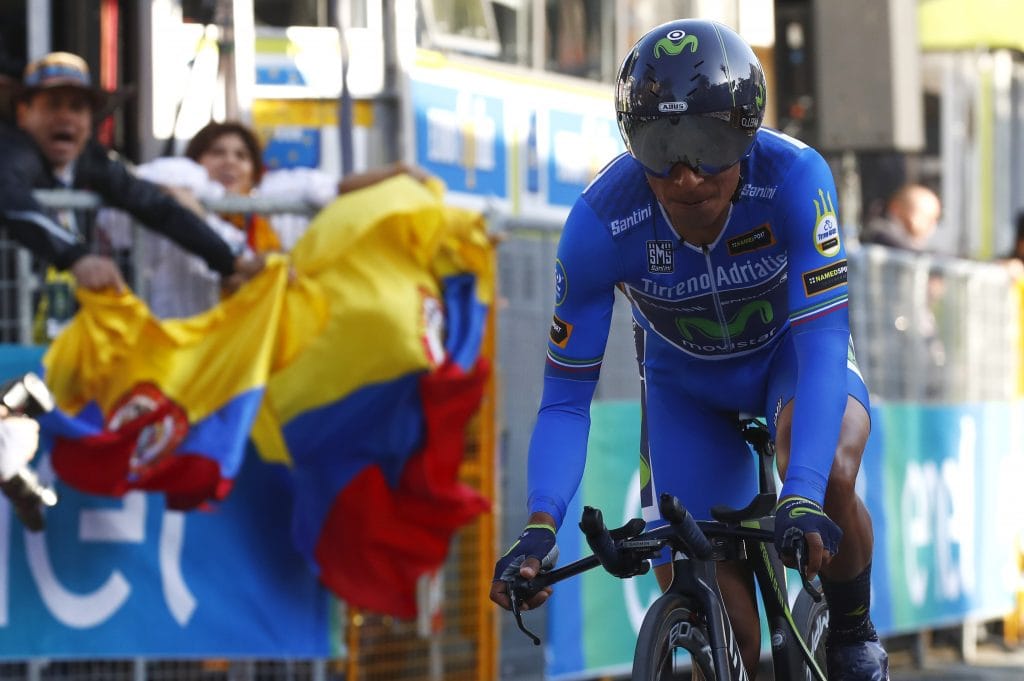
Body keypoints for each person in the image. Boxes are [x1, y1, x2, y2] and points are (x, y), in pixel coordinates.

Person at [490, 19, 888, 681]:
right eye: (660, 147)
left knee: (831, 475)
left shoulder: (794, 178)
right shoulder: (599, 223)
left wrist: (805, 491)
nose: (686, 175)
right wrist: (539, 526)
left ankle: (853, 633)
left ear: (747, 133)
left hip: (790, 361)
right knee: (712, 604)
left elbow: (821, 341)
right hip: (685, 389)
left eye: (708, 144)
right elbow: (565, 398)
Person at [0, 52, 263, 338]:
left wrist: (230, 261)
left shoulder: (91, 161)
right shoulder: (13, 152)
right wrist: (77, 258)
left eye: (77, 107)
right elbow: (12, 199)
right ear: (23, 114)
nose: (65, 117)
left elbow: (155, 206)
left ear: (90, 121)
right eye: (53, 105)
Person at [98, 119, 433, 318]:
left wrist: (397, 173)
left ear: (255, 172)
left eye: (241, 156)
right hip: (183, 339)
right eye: (217, 152)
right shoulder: (185, 177)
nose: (229, 162)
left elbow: (335, 188)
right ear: (197, 159)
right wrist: (189, 206)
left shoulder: (274, 199)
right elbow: (132, 185)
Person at [859, 183, 941, 252]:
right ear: (896, 208)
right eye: (924, 216)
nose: (931, 224)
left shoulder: (910, 243)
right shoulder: (878, 233)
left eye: (934, 218)